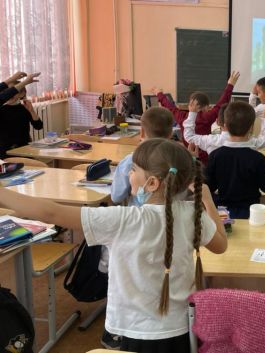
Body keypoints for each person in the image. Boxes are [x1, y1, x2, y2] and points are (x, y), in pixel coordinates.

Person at [0, 138, 228, 353]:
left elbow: (51, 212)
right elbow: (220, 245)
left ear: (152, 183)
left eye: (133, 170)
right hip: (182, 327)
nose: (129, 174)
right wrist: (207, 200)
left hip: (135, 330)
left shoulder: (122, 220)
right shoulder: (192, 214)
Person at [206, 101, 265, 219]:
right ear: (251, 128)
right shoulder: (257, 158)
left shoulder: (215, 155)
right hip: (251, 214)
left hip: (222, 214)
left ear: (225, 126)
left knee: (229, 232)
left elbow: (209, 187)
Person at [151, 71, 239, 154]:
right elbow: (221, 103)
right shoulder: (208, 117)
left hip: (189, 154)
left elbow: (169, 106)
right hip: (205, 155)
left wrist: (159, 94)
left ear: (190, 105)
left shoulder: (181, 116)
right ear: (205, 107)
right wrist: (230, 85)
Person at [111, 107, 174, 205]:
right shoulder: (179, 157)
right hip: (172, 212)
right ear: (171, 134)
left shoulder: (131, 160)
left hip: (138, 213)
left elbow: (116, 197)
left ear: (142, 132)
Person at [184, 102, 265, 155]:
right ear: (249, 126)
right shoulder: (252, 142)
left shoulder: (211, 141)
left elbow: (189, 137)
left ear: (218, 122)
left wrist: (192, 114)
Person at [0, 85, 43, 158]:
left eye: (14, 93)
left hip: (24, 148)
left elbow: (38, 126)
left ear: (21, 94)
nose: (10, 95)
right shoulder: (1, 109)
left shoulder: (24, 108)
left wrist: (31, 111)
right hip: (6, 151)